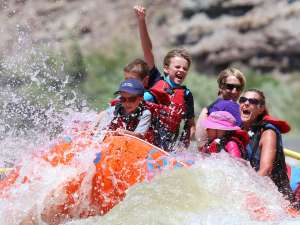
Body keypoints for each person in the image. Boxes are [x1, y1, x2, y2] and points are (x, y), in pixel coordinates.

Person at [134, 5, 195, 150]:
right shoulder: (156, 79)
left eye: (185, 69)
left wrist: (184, 147)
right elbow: (147, 50)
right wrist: (141, 21)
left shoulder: (186, 95)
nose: (182, 70)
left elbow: (190, 124)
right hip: (142, 139)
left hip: (165, 147)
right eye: (178, 67)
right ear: (166, 68)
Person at [239, 88, 298, 206]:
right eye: (243, 100)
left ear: (260, 109)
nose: (246, 103)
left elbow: (265, 170)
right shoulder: (239, 130)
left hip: (277, 197)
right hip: (258, 188)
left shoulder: (268, 132)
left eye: (253, 101)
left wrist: (247, 193)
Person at [195, 68, 246, 149]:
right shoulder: (232, 107)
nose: (234, 91)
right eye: (230, 86)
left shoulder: (207, 109)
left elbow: (200, 144)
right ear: (221, 86)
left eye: (238, 88)